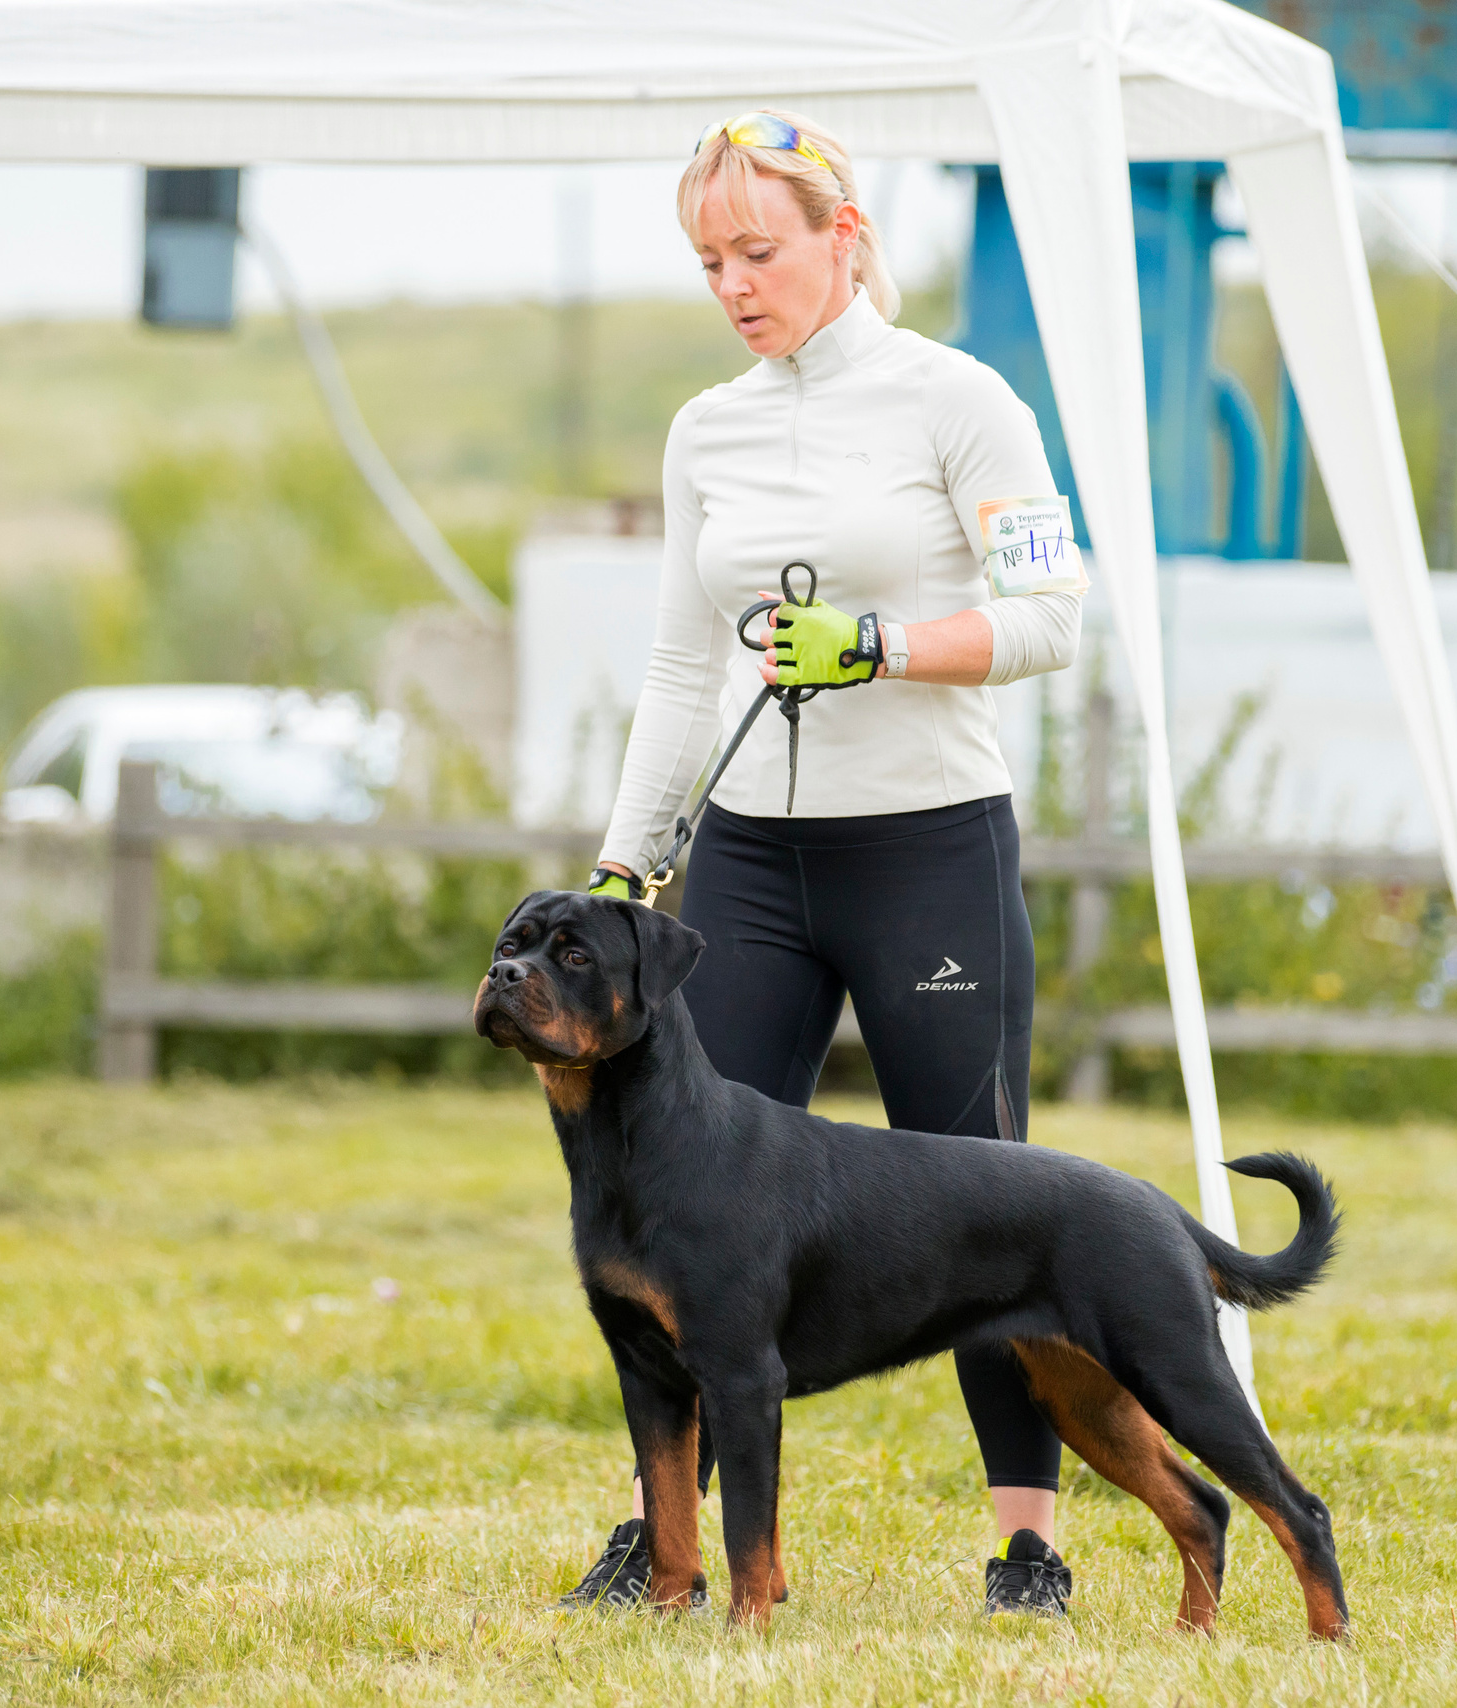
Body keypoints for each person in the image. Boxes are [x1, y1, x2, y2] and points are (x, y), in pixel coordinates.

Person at [563, 110, 1088, 1614]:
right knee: (684, 1197)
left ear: (843, 237)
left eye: (759, 250)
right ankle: (664, 1540)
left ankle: (1029, 1543)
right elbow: (680, 666)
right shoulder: (704, 428)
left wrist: (881, 648)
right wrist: (624, 867)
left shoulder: (960, 397)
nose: (733, 283)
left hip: (928, 849)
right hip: (748, 866)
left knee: (985, 1194)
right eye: (708, 260)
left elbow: (1054, 620)